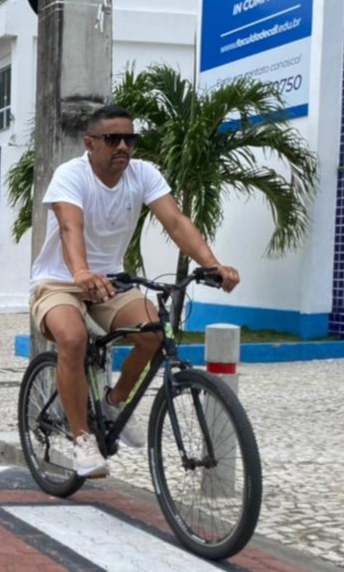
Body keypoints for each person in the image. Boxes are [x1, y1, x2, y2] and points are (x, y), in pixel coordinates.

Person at [29, 104, 240, 478]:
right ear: (90, 143)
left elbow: (175, 221)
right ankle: (82, 441)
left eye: (130, 139)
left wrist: (212, 264)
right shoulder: (70, 175)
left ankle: (113, 402)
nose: (123, 146)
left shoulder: (143, 175)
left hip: (111, 283)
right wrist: (79, 271)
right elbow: (69, 228)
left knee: (155, 333)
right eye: (113, 139)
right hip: (60, 282)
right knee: (73, 339)